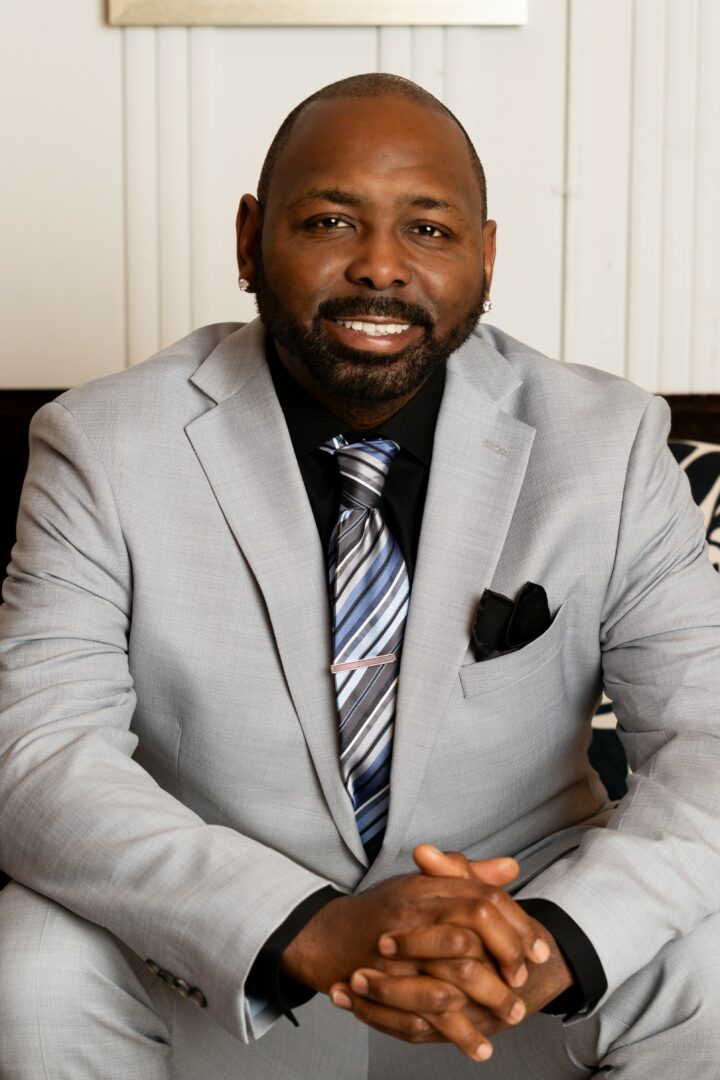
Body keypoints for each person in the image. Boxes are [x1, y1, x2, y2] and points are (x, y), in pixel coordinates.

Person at [0, 72, 719, 1079]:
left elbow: (707, 740)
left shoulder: (610, 441)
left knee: (709, 964)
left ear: (485, 256)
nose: (381, 266)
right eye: (330, 221)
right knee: (33, 966)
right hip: (226, 969)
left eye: (428, 229)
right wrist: (300, 925)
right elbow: (38, 754)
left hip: (516, 962)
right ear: (249, 240)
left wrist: (559, 940)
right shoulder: (102, 443)